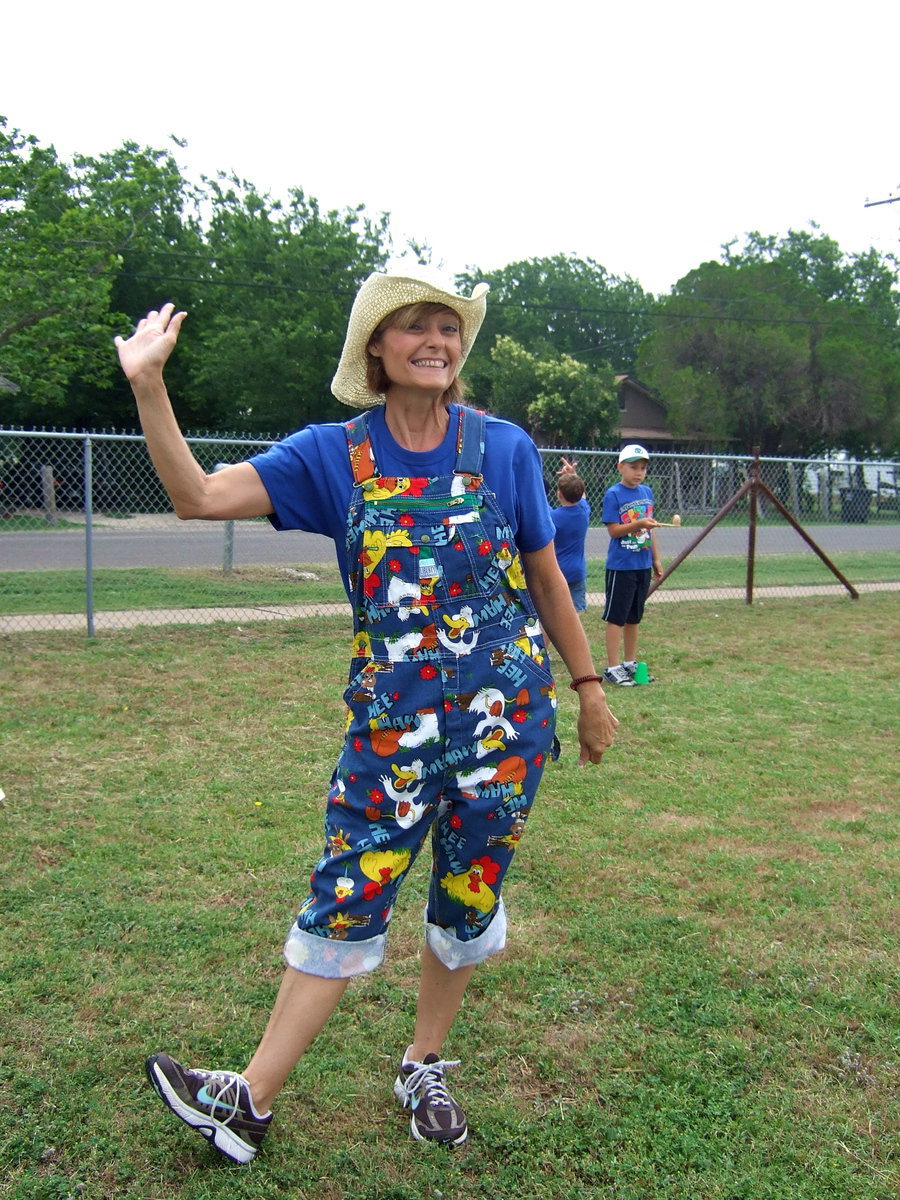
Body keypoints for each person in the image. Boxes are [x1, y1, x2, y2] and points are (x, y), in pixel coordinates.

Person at [114, 271, 619, 1164]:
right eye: (416, 326)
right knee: (347, 887)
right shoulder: (329, 456)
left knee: (469, 894)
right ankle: (250, 1098)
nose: (437, 339)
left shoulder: (503, 449)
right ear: (377, 350)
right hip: (392, 730)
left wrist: (587, 688)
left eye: (448, 327)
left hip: (507, 727)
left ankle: (424, 1062)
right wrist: (150, 386)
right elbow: (196, 496)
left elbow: (546, 576)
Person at [600, 444, 663, 686]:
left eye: (643, 468)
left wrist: (655, 559)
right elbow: (614, 531)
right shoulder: (614, 495)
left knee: (634, 617)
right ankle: (613, 666)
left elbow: (650, 531)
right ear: (620, 467)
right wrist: (639, 524)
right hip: (621, 565)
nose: (639, 472)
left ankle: (629, 662)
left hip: (641, 564)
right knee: (617, 616)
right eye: (633, 467)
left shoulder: (647, 492)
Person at [552, 457, 590, 612]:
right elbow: (583, 497)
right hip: (577, 572)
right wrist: (573, 475)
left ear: (559, 494)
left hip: (558, 573)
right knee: (574, 614)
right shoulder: (584, 512)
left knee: (552, 614)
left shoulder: (552, 517)